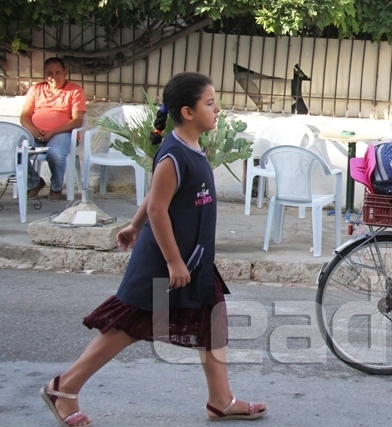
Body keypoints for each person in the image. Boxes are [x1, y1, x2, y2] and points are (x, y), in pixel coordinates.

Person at [39, 72, 267, 426]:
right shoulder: (173, 154)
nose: (217, 108)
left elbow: (155, 198)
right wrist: (173, 259)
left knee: (213, 319)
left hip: (193, 259)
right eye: (209, 103)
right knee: (127, 328)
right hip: (166, 261)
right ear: (187, 112)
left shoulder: (190, 146)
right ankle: (64, 387)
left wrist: (133, 224)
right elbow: (160, 207)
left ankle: (221, 400)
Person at [20, 57, 86, 201]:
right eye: (50, 73)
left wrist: (53, 132)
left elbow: (78, 121)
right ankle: (35, 182)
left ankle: (56, 188)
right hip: (35, 133)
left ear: (65, 73)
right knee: (16, 150)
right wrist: (32, 129)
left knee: (55, 154)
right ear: (44, 74)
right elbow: (24, 116)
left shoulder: (75, 90)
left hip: (61, 134)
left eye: (58, 72)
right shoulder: (36, 89)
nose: (54, 77)